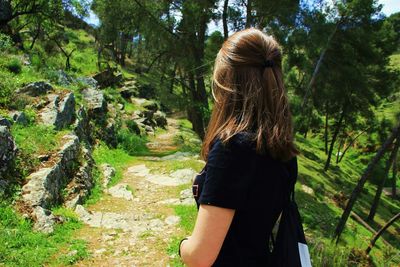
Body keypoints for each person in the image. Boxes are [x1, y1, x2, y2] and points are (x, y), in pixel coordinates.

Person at [179, 28, 300, 267]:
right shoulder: (284, 151)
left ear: (227, 82)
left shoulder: (232, 149)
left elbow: (200, 257)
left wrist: (183, 244)